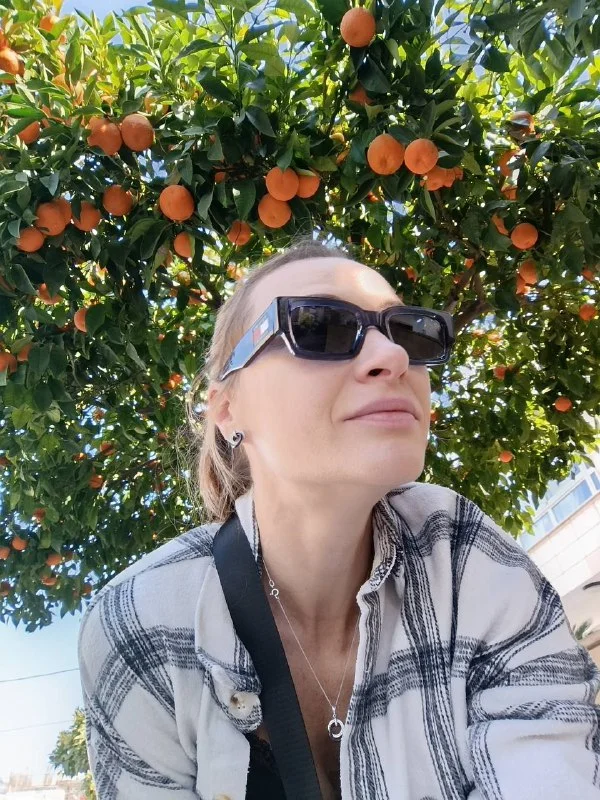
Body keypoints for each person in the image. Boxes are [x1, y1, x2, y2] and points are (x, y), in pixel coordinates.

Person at [78, 236, 600, 800]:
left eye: (410, 331)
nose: (393, 356)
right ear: (228, 409)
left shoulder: (466, 557)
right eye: (319, 327)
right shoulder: (141, 628)